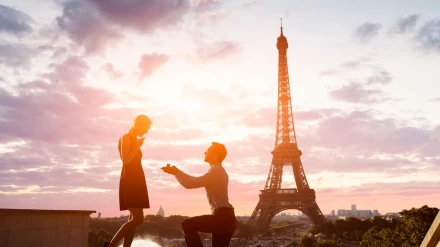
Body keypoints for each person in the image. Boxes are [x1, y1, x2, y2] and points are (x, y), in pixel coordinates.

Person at [161, 142, 236, 247]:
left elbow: (191, 183)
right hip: (227, 218)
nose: (205, 152)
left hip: (222, 218)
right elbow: (194, 179)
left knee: (187, 225)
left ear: (215, 155)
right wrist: (177, 171)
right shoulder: (217, 171)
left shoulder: (216, 172)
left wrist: (175, 173)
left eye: (208, 150)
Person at [104, 114, 152, 247]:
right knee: (138, 219)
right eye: (146, 127)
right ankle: (111, 245)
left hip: (137, 180)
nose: (147, 131)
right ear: (138, 124)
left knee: (133, 219)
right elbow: (126, 161)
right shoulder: (125, 138)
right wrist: (137, 146)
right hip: (131, 180)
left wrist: (137, 145)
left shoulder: (133, 139)